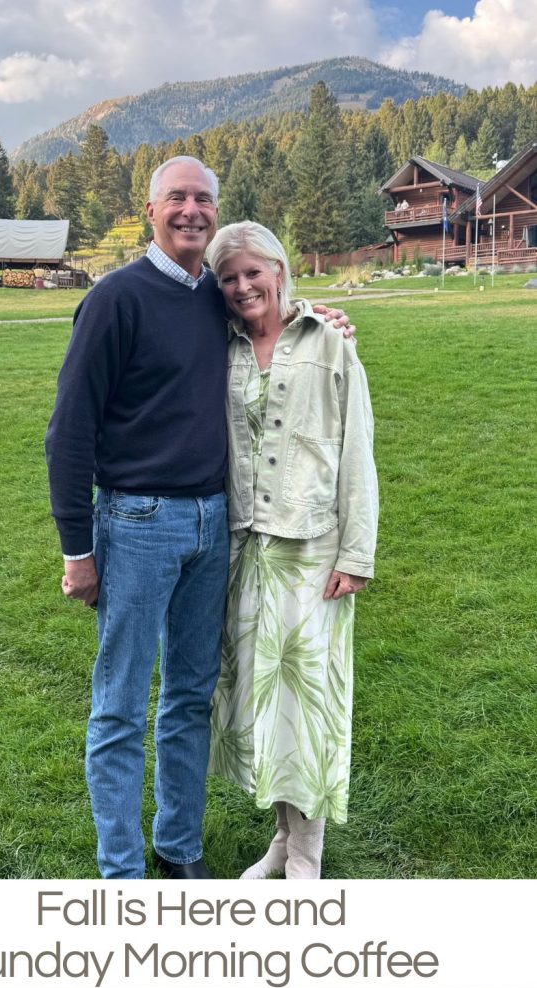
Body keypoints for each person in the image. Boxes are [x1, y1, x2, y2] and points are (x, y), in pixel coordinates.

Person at [45, 157, 354, 880]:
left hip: (214, 523)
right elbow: (69, 433)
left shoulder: (214, 298)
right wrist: (76, 549)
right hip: (137, 521)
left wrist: (329, 320)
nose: (191, 210)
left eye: (203, 198)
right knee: (120, 703)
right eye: (176, 197)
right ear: (149, 208)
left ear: (215, 211)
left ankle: (177, 849)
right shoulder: (115, 299)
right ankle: (121, 870)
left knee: (189, 697)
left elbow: (273, 316)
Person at [206, 220, 378, 880]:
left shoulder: (330, 344)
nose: (243, 285)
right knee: (261, 701)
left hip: (312, 552)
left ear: (279, 270)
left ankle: (307, 852)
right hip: (245, 551)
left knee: (309, 702)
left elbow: (356, 451)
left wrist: (355, 553)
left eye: (253, 270)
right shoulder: (217, 349)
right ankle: (281, 838)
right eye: (228, 276)